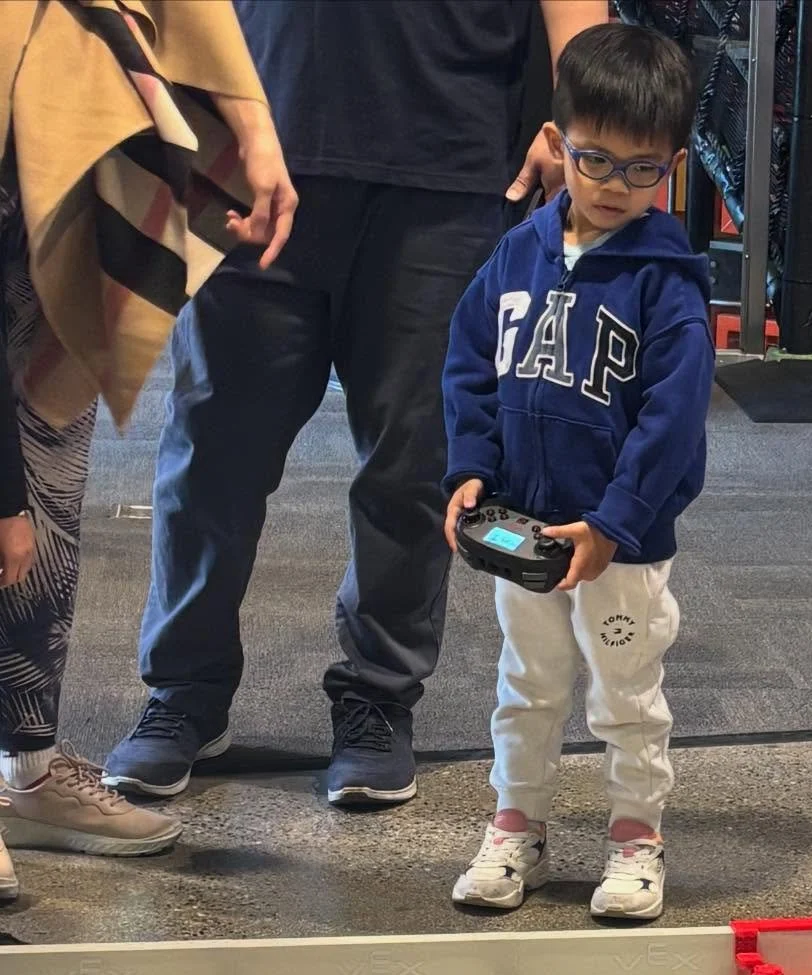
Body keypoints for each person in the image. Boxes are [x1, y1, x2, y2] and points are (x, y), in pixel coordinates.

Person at [103, 0, 608, 812]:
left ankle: (378, 695)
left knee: (416, 461)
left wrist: (581, 120)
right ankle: (184, 690)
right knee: (212, 451)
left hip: (450, 158)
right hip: (254, 141)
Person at [0, 0, 295, 901]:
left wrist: (250, 127)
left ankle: (27, 767)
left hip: (57, 93)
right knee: (11, 507)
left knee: (44, 481)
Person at [443, 22, 711, 922]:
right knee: (527, 685)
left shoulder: (668, 283)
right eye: (595, 160)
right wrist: (470, 467)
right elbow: (470, 362)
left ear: (672, 166)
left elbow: (672, 422)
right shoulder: (517, 252)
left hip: (617, 544)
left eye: (643, 169)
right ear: (558, 144)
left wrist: (614, 520)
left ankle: (636, 838)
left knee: (626, 695)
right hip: (526, 527)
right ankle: (515, 825)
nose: (614, 186)